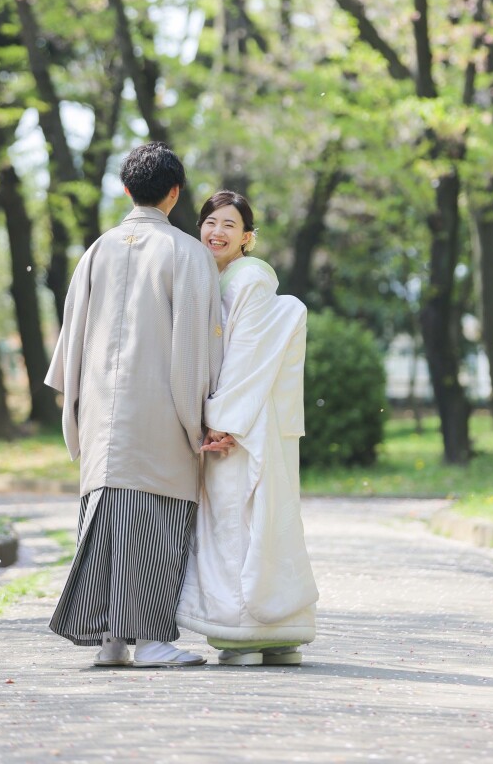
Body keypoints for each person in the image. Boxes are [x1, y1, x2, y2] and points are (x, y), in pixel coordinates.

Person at [45, 143, 223, 668]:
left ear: (125, 189)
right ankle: (148, 641)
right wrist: (206, 416)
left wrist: (77, 409)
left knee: (107, 520)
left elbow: (69, 345)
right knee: (154, 521)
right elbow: (197, 347)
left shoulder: (97, 250)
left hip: (102, 410)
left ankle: (111, 641)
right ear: (175, 192)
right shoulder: (187, 252)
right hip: (161, 412)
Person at [177, 190, 318, 666]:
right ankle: (278, 633)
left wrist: (224, 422)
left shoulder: (248, 280)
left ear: (248, 238)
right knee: (260, 520)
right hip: (247, 417)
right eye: (210, 222)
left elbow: (247, 356)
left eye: (229, 225)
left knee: (237, 522)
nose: (216, 232)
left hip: (242, 424)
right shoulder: (220, 278)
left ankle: (244, 635)